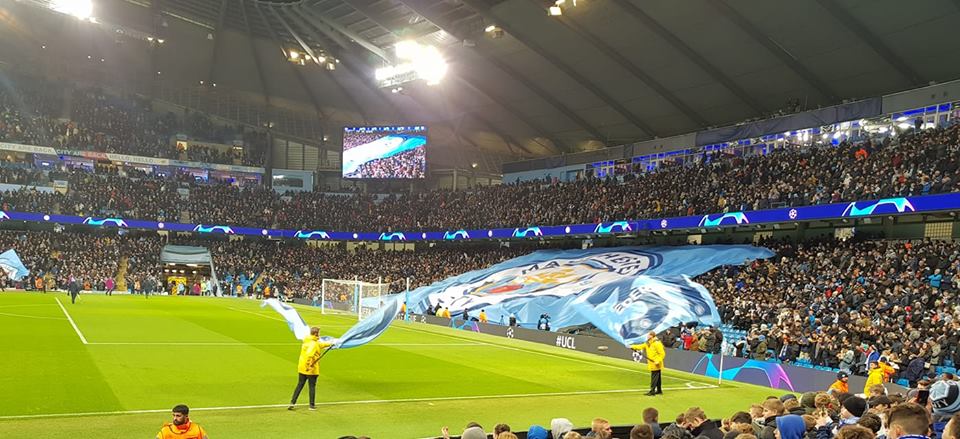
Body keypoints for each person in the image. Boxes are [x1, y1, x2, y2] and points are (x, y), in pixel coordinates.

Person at [288, 327, 334, 411]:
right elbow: (310, 355)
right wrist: (309, 365)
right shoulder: (314, 344)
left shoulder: (307, 340)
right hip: (310, 369)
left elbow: (321, 345)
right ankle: (311, 405)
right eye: (319, 333)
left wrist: (331, 343)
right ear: (316, 334)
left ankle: (292, 402)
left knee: (300, 385)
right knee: (312, 386)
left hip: (302, 368)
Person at [631, 331, 666, 396]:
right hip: (652, 363)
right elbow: (641, 346)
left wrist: (658, 360)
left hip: (656, 363)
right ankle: (659, 390)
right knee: (657, 378)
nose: (647, 336)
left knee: (654, 377)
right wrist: (632, 346)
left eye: (648, 335)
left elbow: (662, 354)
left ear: (652, 336)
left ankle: (652, 391)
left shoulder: (657, 343)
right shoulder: (648, 343)